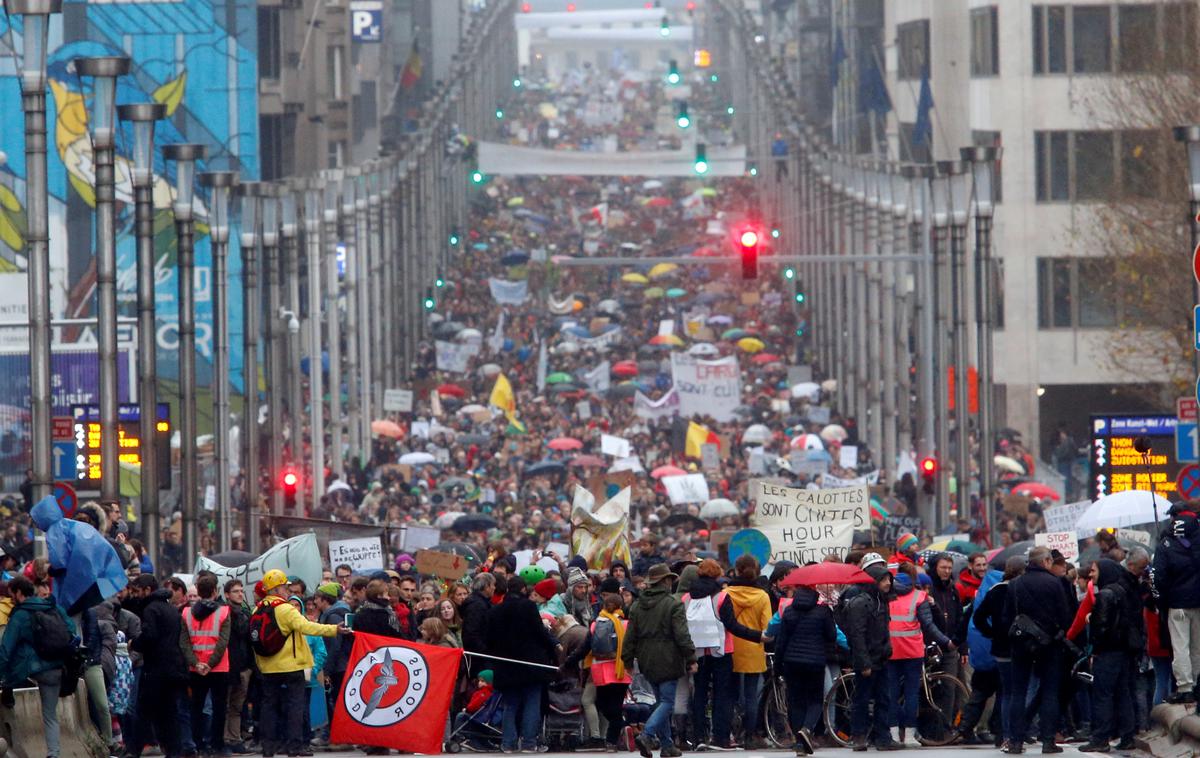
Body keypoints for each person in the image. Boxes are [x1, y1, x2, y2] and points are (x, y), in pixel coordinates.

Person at [252, 568, 345, 758]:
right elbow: (306, 626)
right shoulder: (285, 608)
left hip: (268, 667)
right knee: (296, 706)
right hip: (292, 666)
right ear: (277, 589)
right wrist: (334, 629)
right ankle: (294, 746)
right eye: (285, 588)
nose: (288, 591)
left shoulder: (259, 608)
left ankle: (268, 747)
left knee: (269, 706)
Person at [681, 558, 766, 749]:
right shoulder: (721, 597)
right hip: (721, 651)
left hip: (697, 652)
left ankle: (698, 737)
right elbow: (732, 626)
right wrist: (756, 636)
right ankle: (721, 737)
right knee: (723, 694)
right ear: (717, 574)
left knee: (700, 694)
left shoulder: (686, 598)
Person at [1002, 547, 1073, 755]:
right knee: (1050, 691)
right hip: (1049, 644)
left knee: (1018, 691)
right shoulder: (1055, 583)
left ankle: (1015, 741)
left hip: (1020, 644)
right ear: (1046, 561)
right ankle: (1048, 740)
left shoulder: (1014, 585)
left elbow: (1007, 617)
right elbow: (1065, 616)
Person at [622, 564, 696, 758]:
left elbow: (630, 636)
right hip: (669, 657)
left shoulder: (637, 605)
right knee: (667, 703)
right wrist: (690, 657)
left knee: (660, 701)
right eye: (670, 579)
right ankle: (647, 735)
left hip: (646, 658)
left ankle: (667, 745)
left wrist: (628, 660)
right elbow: (681, 634)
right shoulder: (673, 604)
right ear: (665, 581)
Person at [0, 575, 76, 758]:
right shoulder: (54, 607)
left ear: (18, 593)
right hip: (57, 669)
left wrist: (2, 675)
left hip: (32, 669)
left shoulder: (20, 615)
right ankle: (54, 753)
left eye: (12, 596)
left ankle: (7, 690)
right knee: (50, 715)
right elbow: (71, 630)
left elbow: (6, 648)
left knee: (13, 667)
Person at [487, 574, 561, 753]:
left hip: (506, 666)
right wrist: (555, 645)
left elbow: (490, 639)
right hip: (531, 664)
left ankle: (508, 743)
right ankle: (528, 743)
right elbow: (539, 632)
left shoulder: (496, 610)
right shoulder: (528, 607)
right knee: (531, 703)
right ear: (523, 589)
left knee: (510, 704)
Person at [563, 580, 632, 751]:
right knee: (616, 705)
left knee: (602, 704)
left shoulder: (595, 624)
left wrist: (567, 663)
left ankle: (616, 733)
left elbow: (583, 649)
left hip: (601, 671)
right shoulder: (627, 624)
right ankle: (613, 740)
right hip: (622, 671)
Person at [1078, 559, 1137, 753]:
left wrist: (1092, 623)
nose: (1091, 575)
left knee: (1102, 695)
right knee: (1123, 694)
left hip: (1108, 652)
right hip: (1124, 651)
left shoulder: (1105, 594)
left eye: (1094, 571)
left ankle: (1100, 738)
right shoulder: (1124, 590)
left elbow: (1101, 627)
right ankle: (1127, 736)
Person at [844, 556, 901, 751]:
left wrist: (888, 649)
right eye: (884, 580)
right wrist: (864, 663)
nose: (888, 584)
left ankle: (883, 738)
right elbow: (857, 635)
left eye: (889, 580)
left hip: (882, 658)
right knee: (862, 699)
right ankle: (859, 736)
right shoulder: (861, 603)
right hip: (867, 661)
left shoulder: (881, 601)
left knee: (883, 699)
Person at [128, 573, 188, 758]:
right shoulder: (170, 609)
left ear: (148, 590)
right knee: (169, 712)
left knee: (143, 711)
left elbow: (150, 635)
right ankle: (174, 751)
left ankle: (133, 750)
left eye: (138, 591)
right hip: (174, 668)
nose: (136, 595)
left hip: (156, 670)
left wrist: (135, 643)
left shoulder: (151, 609)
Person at [774, 583, 835, 755]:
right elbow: (831, 636)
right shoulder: (823, 612)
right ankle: (806, 730)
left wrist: (777, 667)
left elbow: (781, 642)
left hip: (791, 662)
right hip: (815, 661)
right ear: (815, 595)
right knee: (815, 699)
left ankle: (799, 744)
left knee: (796, 701)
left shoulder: (789, 612)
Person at [1152, 502, 1200, 703]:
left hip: (1176, 604)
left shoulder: (1166, 543)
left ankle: (1185, 687)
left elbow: (1158, 578)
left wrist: (1160, 600)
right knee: (1198, 647)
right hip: (1198, 602)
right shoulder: (1198, 537)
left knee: (1181, 646)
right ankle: (1199, 684)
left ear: (1174, 517)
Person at [180, 573, 231, 756]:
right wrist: (210, 664)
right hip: (218, 667)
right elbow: (223, 642)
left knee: (196, 707)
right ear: (215, 591)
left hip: (195, 667)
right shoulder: (224, 612)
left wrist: (196, 663)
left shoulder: (186, 613)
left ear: (199, 592)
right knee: (219, 708)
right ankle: (218, 745)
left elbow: (184, 643)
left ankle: (198, 745)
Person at [724, 554, 772, 747]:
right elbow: (767, 626)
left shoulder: (727, 593)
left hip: (730, 648)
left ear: (736, 570)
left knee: (730, 694)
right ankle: (750, 736)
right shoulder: (762, 596)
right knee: (751, 695)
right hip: (754, 649)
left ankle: (729, 734)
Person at [223, 579, 255, 754]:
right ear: (227, 594)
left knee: (237, 706)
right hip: (228, 666)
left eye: (242, 591)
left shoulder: (244, 613)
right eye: (236, 591)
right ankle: (224, 738)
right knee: (226, 705)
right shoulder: (225, 613)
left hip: (243, 666)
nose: (240, 594)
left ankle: (234, 738)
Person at [461, 572, 495, 655]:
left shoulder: (480, 602)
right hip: (478, 656)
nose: (494, 588)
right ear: (486, 587)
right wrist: (485, 652)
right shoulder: (477, 606)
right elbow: (472, 633)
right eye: (493, 585)